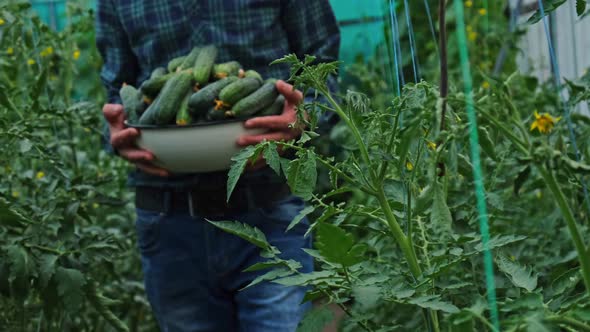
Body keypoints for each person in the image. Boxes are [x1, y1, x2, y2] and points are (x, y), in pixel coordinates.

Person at [96, 1, 340, 331]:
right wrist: (114, 130)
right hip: (170, 224)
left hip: (269, 212)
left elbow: (323, 65)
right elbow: (117, 89)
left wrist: (304, 116)